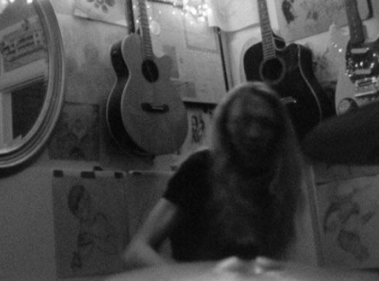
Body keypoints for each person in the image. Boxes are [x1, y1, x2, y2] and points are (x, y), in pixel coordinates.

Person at [122, 82, 304, 269]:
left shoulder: (278, 178)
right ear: (225, 126)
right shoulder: (201, 169)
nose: (254, 133)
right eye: (244, 121)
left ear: (279, 131)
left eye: (265, 124)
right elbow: (137, 251)